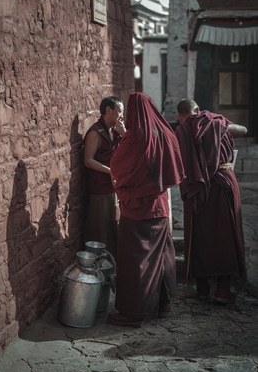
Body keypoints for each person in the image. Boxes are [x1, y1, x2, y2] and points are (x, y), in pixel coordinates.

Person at [107, 92, 185, 327]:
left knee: (135, 259)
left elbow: (118, 166)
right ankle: (163, 304)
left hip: (138, 208)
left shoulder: (134, 139)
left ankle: (134, 312)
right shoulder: (164, 133)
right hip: (160, 205)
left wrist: (123, 136)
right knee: (162, 254)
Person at [175, 99, 247, 304]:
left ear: (181, 117)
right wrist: (221, 121)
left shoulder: (181, 131)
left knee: (200, 236)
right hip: (222, 182)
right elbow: (242, 130)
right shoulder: (215, 123)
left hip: (196, 189)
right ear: (198, 110)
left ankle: (203, 288)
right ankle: (223, 288)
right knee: (226, 232)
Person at [84, 96, 125, 258]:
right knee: (100, 227)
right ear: (108, 111)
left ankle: (112, 262)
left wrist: (125, 133)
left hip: (114, 187)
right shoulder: (96, 132)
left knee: (112, 226)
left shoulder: (116, 131)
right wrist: (110, 171)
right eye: (120, 111)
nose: (122, 115)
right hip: (100, 188)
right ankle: (97, 262)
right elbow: (88, 160)